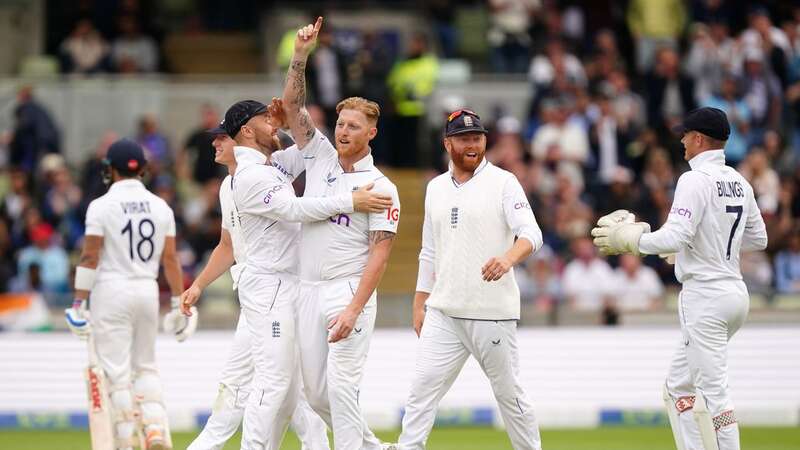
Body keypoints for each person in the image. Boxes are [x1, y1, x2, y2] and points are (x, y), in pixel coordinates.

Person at [210, 99, 392, 449]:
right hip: (270, 287)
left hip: (294, 285)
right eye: (266, 120)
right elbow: (294, 209)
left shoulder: (271, 164)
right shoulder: (251, 176)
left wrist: (291, 118)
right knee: (275, 382)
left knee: (305, 392)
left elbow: (308, 146)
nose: (273, 124)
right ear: (248, 130)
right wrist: (349, 201)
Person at [591, 107, 768, 450]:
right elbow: (758, 238)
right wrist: (705, 244)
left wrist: (630, 241)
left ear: (699, 139)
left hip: (705, 298)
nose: (682, 143)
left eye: (685, 136)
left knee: (715, 395)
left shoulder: (693, 179)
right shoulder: (739, 182)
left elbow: (673, 238)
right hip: (735, 295)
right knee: (677, 389)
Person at [388, 108, 544, 450]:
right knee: (420, 392)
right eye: (463, 139)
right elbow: (429, 250)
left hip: (491, 312)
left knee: (510, 397)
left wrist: (507, 258)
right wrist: (420, 302)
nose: (472, 145)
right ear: (448, 143)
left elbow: (532, 234)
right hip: (444, 312)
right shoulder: (435, 188)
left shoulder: (504, 182)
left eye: (477, 138)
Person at [282, 17, 401, 450]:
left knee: (342, 387)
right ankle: (375, 447)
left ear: (371, 133)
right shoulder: (319, 156)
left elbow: (380, 256)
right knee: (316, 393)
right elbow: (291, 108)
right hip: (307, 290)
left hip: (346, 292)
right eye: (340, 123)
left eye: (353, 126)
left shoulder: (383, 188)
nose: (343, 131)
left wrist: (354, 308)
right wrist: (300, 56)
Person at [181, 115, 329, 450]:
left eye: (222, 137)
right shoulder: (226, 186)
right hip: (260, 292)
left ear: (242, 139)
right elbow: (228, 245)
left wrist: (286, 122)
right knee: (261, 383)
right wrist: (198, 285)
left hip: (280, 289)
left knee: (288, 386)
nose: (216, 143)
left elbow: (306, 152)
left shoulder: (267, 172)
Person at [64, 138, 195, 450]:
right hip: (147, 292)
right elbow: (170, 260)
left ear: (110, 169)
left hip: (112, 292)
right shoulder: (161, 206)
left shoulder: (101, 206)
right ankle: (154, 429)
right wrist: (178, 303)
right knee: (145, 365)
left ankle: (125, 441)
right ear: (144, 170)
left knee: (116, 373)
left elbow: (90, 257)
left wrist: (78, 302)